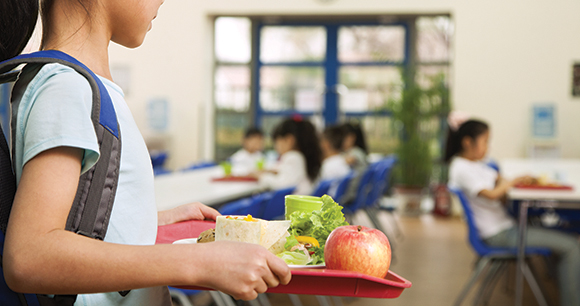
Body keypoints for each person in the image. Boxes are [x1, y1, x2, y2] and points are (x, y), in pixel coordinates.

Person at [0, 1, 290, 305]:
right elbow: (30, 257)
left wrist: (149, 221)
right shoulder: (66, 87)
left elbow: (79, 221)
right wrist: (198, 262)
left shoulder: (84, 85)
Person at [446, 118, 580, 306]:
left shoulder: (474, 164)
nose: (488, 147)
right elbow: (492, 194)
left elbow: (499, 180)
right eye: (485, 141)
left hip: (505, 227)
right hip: (499, 235)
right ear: (468, 142)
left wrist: (512, 181)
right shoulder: (460, 168)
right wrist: (513, 181)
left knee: (563, 239)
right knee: (572, 247)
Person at [255, 117, 322, 195]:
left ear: (289, 140)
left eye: (276, 142)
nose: (276, 147)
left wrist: (261, 176)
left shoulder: (293, 156)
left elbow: (282, 186)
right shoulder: (303, 156)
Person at [340, 122, 369, 204]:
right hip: (357, 193)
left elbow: (346, 161)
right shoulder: (358, 151)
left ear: (351, 138)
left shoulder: (355, 153)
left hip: (351, 195)